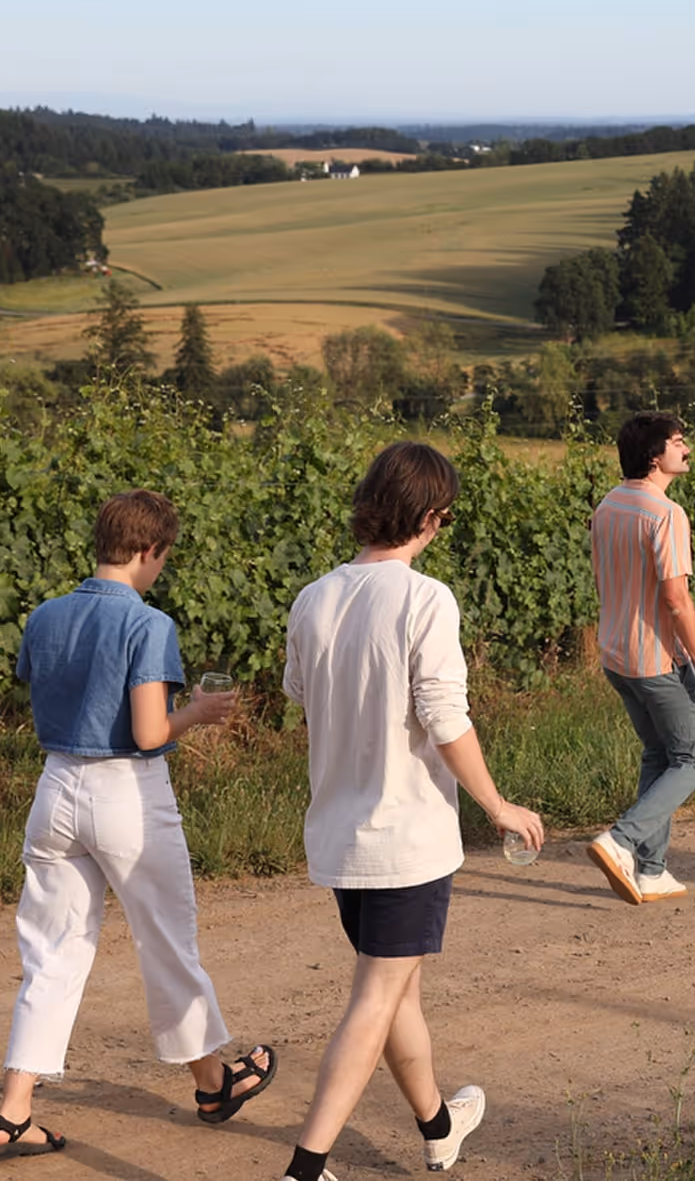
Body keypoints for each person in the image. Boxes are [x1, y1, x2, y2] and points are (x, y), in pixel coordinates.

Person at [281, 443, 543, 1181]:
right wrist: (497, 804)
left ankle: (437, 1126)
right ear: (429, 516)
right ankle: (305, 1169)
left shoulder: (313, 597)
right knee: (375, 999)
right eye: (446, 516)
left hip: (338, 834)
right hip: (406, 838)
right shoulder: (426, 599)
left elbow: (299, 694)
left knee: (396, 992)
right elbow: (446, 719)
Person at [0, 490, 277, 1162]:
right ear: (151, 551)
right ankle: (213, 1085)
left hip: (55, 786)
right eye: (163, 559)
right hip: (126, 794)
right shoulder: (149, 625)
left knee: (51, 954)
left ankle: (10, 1112)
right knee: (166, 944)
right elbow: (149, 732)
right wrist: (198, 711)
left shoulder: (45, 616)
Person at [586, 413, 695, 906]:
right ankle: (621, 840)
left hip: (615, 656)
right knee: (694, 759)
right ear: (655, 456)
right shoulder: (665, 514)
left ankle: (651, 870)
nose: (687, 448)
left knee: (658, 754)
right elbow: (676, 599)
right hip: (657, 660)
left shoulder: (607, 505)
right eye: (678, 442)